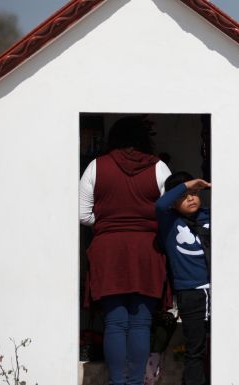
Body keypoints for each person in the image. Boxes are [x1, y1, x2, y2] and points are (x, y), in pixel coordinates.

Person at [79, 116, 171, 385]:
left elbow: (83, 215)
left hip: (108, 251)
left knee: (115, 323)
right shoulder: (160, 168)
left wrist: (110, 223)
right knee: (141, 323)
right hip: (147, 250)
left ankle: (116, 382)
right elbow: (169, 210)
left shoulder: (96, 166)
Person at [156, 171, 211, 385]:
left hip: (218, 291)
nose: (191, 198)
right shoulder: (169, 222)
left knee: (219, 345)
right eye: (184, 195)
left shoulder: (210, 217)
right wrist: (188, 184)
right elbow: (160, 205)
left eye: (195, 193)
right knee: (195, 348)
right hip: (191, 293)